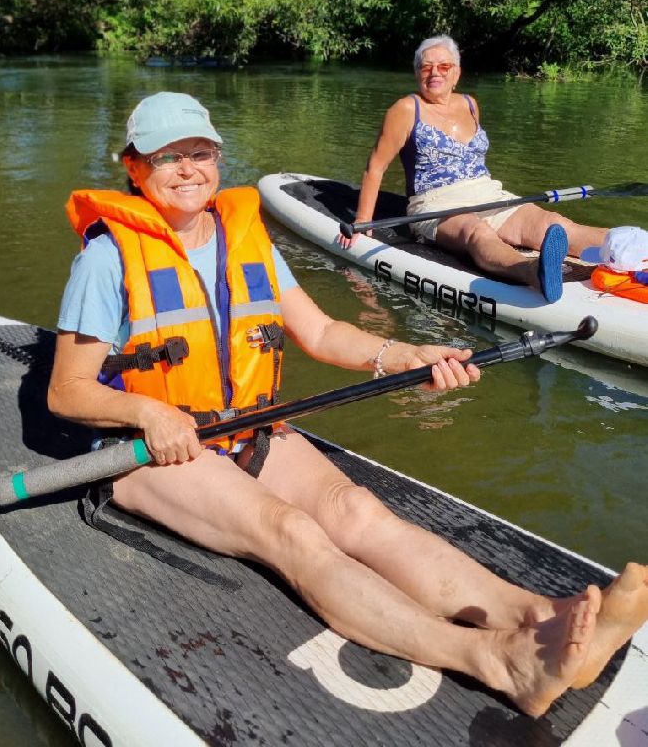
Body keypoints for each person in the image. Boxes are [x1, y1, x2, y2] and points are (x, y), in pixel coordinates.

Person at [49, 90, 648, 718]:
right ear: (134, 167)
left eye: (200, 153)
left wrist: (403, 354)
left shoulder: (244, 238)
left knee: (357, 510)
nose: (189, 169)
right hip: (151, 449)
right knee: (292, 531)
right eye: (168, 158)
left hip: (243, 426)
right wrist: (148, 413)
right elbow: (67, 391)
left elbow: (323, 333)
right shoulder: (106, 258)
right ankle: (497, 660)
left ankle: (543, 620)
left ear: (218, 158)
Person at [339, 35, 609, 303]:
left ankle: (628, 246)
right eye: (426, 67)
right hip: (435, 204)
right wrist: (363, 222)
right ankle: (532, 271)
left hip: (488, 194)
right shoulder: (406, 109)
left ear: (456, 73)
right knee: (477, 232)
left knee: (553, 223)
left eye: (444, 66)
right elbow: (376, 166)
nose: (435, 73)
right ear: (417, 73)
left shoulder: (469, 104)